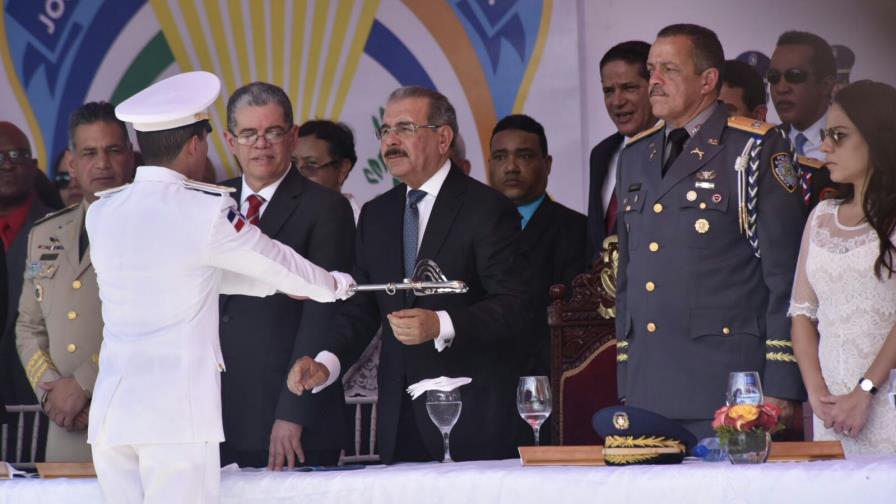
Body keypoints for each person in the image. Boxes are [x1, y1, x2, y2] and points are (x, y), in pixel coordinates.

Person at [86, 71, 354, 504]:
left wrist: (276, 289)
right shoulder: (203, 210)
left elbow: (198, 274)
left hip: (114, 417)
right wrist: (333, 285)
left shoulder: (104, 213)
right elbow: (276, 261)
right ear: (196, 144)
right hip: (177, 418)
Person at [306, 85, 530, 464]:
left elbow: (515, 304)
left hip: (470, 414)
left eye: (405, 128)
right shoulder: (376, 216)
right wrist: (325, 362)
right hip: (400, 415)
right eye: (385, 130)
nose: (390, 140)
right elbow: (361, 307)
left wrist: (441, 323)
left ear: (443, 138)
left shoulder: (487, 208)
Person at [615, 24, 806, 439]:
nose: (655, 81)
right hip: (649, 389)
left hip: (731, 392)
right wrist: (627, 377)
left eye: (669, 69)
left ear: (708, 80)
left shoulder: (754, 148)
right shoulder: (633, 154)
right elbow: (627, 279)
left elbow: (786, 277)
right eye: (652, 69)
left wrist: (780, 384)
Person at [219, 83, 355, 470]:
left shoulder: (326, 208)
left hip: (290, 417)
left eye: (273, 132)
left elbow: (323, 312)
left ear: (292, 136)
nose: (260, 144)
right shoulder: (213, 201)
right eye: (248, 134)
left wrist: (293, 412)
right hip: (217, 413)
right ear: (230, 140)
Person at [15, 102, 134, 462]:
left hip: (129, 422)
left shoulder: (152, 228)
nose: (102, 163)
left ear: (130, 156)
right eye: (89, 152)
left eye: (113, 150)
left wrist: (83, 384)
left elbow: (149, 325)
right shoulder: (46, 233)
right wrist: (51, 393)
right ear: (72, 162)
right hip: (66, 427)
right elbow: (28, 326)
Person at [789, 80, 896, 454]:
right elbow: (802, 314)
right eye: (825, 134)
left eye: (839, 135)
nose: (824, 146)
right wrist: (818, 395)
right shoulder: (821, 216)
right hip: (832, 412)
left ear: (877, 137)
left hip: (886, 404)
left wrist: (865, 391)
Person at [487, 114, 588, 377]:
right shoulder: (470, 228)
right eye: (500, 157)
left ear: (548, 163)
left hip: (549, 382)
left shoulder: (578, 230)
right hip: (483, 384)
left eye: (524, 156)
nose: (510, 167)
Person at [0, 122, 53, 409]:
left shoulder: (62, 229)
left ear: (34, 166)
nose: (8, 165)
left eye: (17, 155)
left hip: (43, 399)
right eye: (0, 157)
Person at [588, 41, 657, 258]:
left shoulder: (678, 150)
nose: (617, 101)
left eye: (629, 88)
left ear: (654, 86)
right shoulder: (600, 153)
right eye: (608, 91)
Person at [769, 31, 838, 208]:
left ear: (825, 85)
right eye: (774, 78)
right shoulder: (766, 143)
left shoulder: (851, 142)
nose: (781, 88)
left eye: (795, 76)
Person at [294, 119, 361, 223]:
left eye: (311, 164)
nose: (297, 175)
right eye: (292, 164)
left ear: (342, 169)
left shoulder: (363, 228)